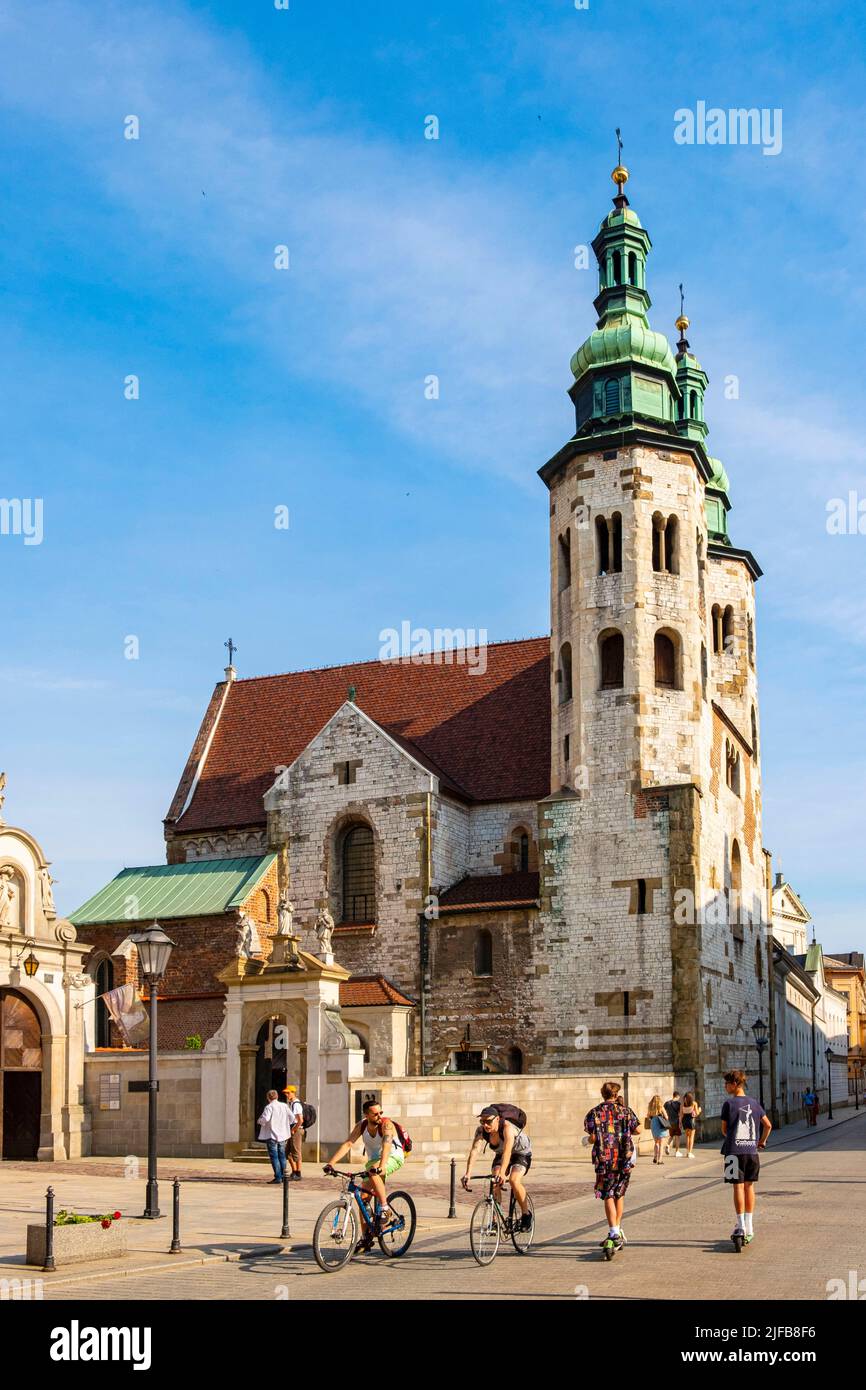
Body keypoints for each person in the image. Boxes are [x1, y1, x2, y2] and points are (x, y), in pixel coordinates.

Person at [325, 1098, 406, 1231]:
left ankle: (385, 1208)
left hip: (392, 1157)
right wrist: (330, 1164)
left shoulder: (387, 1125)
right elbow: (348, 1144)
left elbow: (386, 1145)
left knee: (373, 1171)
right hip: (374, 1163)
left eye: (381, 1112)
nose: (380, 1116)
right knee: (363, 1198)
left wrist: (381, 1166)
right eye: (375, 1114)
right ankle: (365, 1238)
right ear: (366, 1115)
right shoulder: (361, 1126)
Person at [583, 1081, 641, 1257]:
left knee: (608, 1194)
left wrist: (592, 1139)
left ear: (603, 1094)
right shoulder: (625, 1111)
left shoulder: (594, 1112)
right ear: (616, 1095)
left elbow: (591, 1136)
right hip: (623, 1157)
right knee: (619, 1193)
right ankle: (616, 1230)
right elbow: (638, 1129)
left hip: (604, 1159)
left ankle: (614, 1231)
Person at [720, 1068, 772, 1250]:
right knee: (750, 1186)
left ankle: (740, 1224)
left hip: (733, 1152)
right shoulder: (755, 1103)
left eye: (727, 1083)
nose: (725, 1086)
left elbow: (724, 1130)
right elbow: (768, 1125)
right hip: (751, 1152)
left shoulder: (729, 1104)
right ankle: (749, 1225)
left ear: (734, 1084)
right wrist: (761, 1141)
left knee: (737, 1186)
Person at [461, 1106, 533, 1231]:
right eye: (482, 1121)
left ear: (497, 1119)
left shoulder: (507, 1128)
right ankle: (494, 1221)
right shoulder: (481, 1131)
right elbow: (474, 1151)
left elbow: (508, 1152)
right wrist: (468, 1173)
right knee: (495, 1181)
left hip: (521, 1153)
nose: (485, 1125)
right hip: (501, 1153)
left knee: (514, 1180)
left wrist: (504, 1174)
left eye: (488, 1121)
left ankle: (526, 1215)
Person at [257, 1088, 293, 1183]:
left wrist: (259, 1121)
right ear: (277, 1096)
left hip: (272, 1135)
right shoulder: (284, 1106)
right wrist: (284, 1124)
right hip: (283, 1135)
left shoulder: (269, 1107)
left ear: (268, 1097)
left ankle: (278, 1177)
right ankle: (284, 1176)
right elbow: (292, 1118)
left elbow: (265, 1119)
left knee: (274, 1157)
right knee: (282, 1156)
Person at [282, 1085, 305, 1181]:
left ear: (293, 1092)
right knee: (287, 1153)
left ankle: (298, 1173)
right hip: (292, 1129)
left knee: (296, 1151)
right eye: (286, 1093)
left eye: (288, 1093)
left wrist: (293, 1129)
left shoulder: (296, 1104)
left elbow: (300, 1120)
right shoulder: (291, 1104)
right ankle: (294, 1171)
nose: (286, 1095)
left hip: (296, 1129)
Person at [646, 1094, 670, 1164]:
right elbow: (666, 1117)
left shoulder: (650, 1107)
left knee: (656, 1142)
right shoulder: (661, 1107)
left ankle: (655, 1157)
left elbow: (648, 1117)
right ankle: (660, 1160)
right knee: (661, 1143)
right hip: (660, 1124)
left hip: (653, 1123)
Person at [681, 1091, 702, 1157]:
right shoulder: (694, 1103)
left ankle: (687, 1152)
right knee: (691, 1137)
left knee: (687, 1137)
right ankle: (690, 1152)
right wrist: (699, 1110)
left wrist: (680, 1123)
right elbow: (697, 1113)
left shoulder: (683, 1104)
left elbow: (681, 1114)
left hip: (684, 1121)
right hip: (691, 1121)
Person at [664, 1090, 682, 1156]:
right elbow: (680, 1114)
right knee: (677, 1136)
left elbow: (663, 1111)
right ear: (677, 1096)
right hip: (676, 1122)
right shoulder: (678, 1104)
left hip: (669, 1122)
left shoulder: (667, 1103)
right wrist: (680, 1123)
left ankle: (668, 1145)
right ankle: (677, 1151)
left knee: (671, 1135)